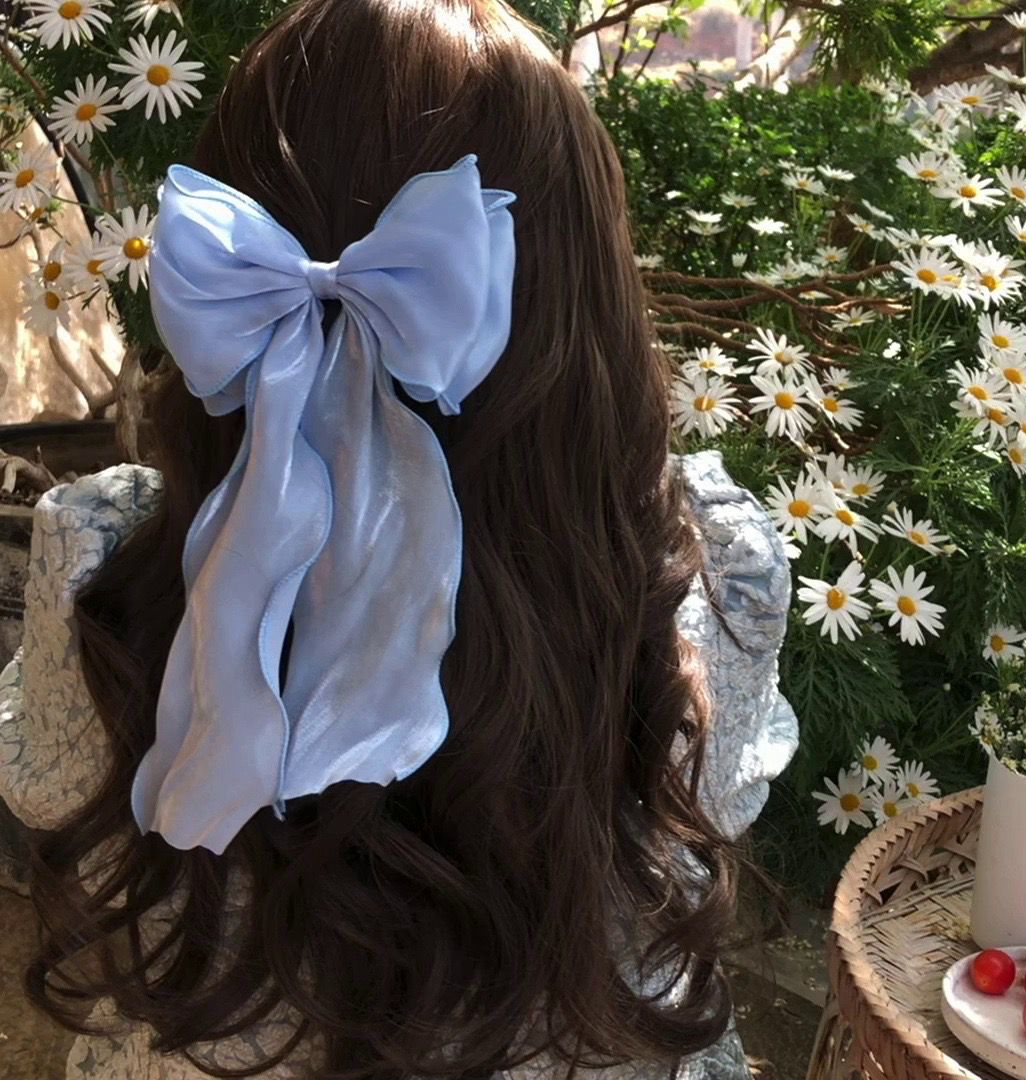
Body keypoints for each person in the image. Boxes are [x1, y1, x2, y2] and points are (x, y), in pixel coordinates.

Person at [0, 1, 797, 1077]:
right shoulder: (700, 582)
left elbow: (52, 789)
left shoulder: (105, 569)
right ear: (584, 303)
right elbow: (719, 805)